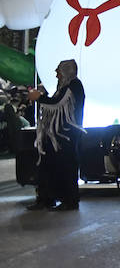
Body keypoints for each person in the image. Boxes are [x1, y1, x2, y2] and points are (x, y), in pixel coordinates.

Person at [29, 58, 85, 211]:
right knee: (49, 167)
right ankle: (46, 198)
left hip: (66, 136)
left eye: (58, 71)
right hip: (56, 136)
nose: (56, 75)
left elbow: (58, 103)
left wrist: (39, 98)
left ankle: (69, 200)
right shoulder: (64, 87)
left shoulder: (74, 86)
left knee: (65, 168)